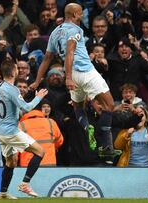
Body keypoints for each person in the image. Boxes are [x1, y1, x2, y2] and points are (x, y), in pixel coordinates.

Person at [30, 3, 118, 161]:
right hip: (85, 72)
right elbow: (70, 52)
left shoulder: (55, 33)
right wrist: (69, 77)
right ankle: (105, 146)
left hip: (72, 74)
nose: (83, 15)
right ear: (75, 15)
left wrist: (37, 81)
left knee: (78, 106)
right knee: (109, 106)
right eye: (80, 13)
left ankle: (86, 127)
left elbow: (47, 59)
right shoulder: (76, 30)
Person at [0, 60, 48, 199]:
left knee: (11, 162)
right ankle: (25, 184)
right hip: (10, 131)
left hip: (0, 132)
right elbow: (27, 108)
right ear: (13, 72)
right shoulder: (12, 89)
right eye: (17, 69)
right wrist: (38, 97)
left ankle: (2, 193)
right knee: (40, 151)